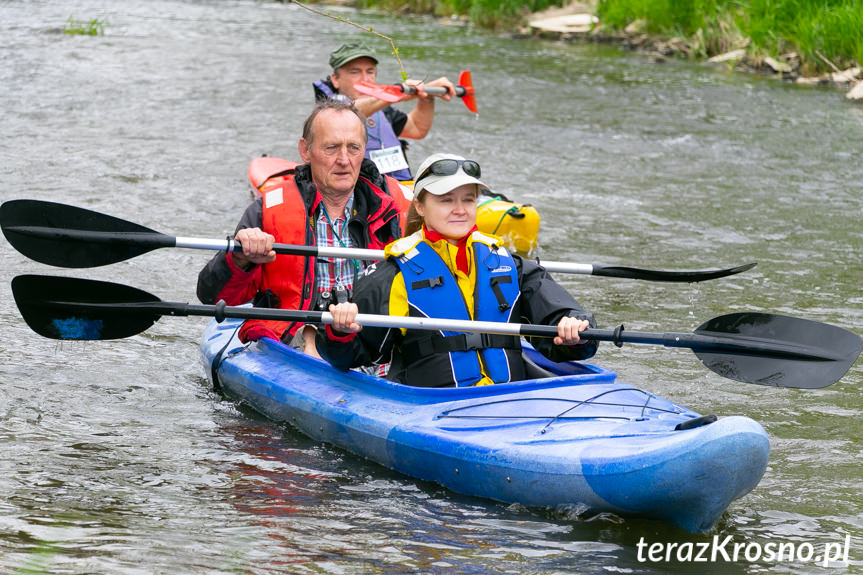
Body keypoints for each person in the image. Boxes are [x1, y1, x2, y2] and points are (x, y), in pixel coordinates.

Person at [316, 153, 599, 387]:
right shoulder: (392, 275)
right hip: (433, 411)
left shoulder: (511, 266)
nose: (460, 209)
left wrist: (575, 328)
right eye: (446, 200)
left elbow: (561, 331)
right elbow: (349, 357)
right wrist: (340, 330)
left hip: (510, 404)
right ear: (420, 206)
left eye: (468, 199)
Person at [197, 99, 407, 356]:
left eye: (353, 148)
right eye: (331, 148)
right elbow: (214, 298)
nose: (344, 159)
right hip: (295, 342)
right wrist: (241, 258)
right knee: (309, 342)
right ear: (305, 151)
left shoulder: (392, 208)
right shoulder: (267, 211)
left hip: (372, 339)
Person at [314, 40, 456, 181]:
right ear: (335, 79)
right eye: (355, 72)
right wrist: (396, 93)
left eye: (370, 72)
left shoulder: (381, 109)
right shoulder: (326, 112)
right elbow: (349, 113)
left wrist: (427, 96)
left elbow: (417, 129)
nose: (365, 79)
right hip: (356, 192)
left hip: (396, 188)